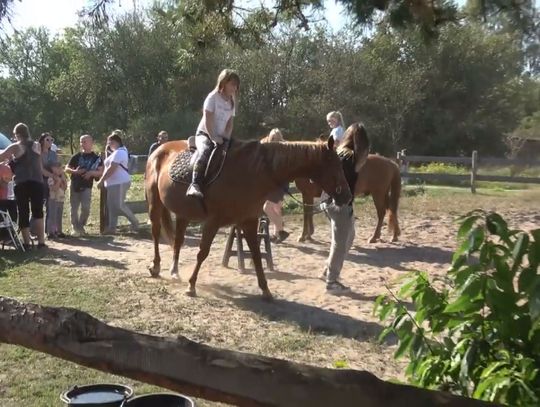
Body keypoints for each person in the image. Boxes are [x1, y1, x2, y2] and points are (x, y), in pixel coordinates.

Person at [320, 123, 369, 294]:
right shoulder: (351, 157)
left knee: (348, 236)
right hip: (340, 204)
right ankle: (331, 281)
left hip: (326, 201)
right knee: (340, 244)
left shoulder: (338, 153)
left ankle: (328, 270)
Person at [187, 69, 240, 198]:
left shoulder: (232, 101)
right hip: (205, 133)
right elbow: (207, 119)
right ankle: (194, 184)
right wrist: (213, 137)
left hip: (221, 136)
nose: (235, 87)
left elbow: (230, 122)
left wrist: (227, 137)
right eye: (232, 84)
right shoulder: (213, 97)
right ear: (223, 82)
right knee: (205, 150)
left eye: (236, 85)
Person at [0, 123, 46, 249]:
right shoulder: (36, 145)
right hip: (37, 182)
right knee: (38, 212)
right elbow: (37, 164)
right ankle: (41, 242)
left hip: (22, 183)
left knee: (23, 212)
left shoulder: (16, 146)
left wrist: (9, 161)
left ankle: (26, 243)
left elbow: (1, 156)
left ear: (17, 134)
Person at [96, 131, 139, 234]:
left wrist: (102, 180)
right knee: (112, 206)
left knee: (119, 205)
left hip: (119, 182)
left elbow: (112, 168)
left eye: (109, 143)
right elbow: (108, 163)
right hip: (113, 183)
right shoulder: (116, 152)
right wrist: (107, 152)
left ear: (115, 142)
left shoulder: (120, 152)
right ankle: (112, 228)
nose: (108, 145)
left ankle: (135, 222)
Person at [65, 134, 103, 236]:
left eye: (85, 141)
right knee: (74, 208)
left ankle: (81, 226)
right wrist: (75, 171)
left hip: (87, 186)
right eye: (81, 142)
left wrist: (91, 173)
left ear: (91, 143)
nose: (82, 144)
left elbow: (100, 172)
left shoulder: (96, 158)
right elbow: (66, 169)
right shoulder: (76, 156)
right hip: (75, 185)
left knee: (86, 208)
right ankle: (75, 228)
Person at [261, 128, 290, 243]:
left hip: (279, 184)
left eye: (277, 138)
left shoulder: (283, 150)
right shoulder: (269, 149)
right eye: (273, 138)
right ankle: (277, 233)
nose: (275, 140)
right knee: (276, 209)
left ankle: (281, 231)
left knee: (267, 208)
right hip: (277, 183)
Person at [38, 132, 59, 234]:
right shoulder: (38, 154)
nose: (50, 142)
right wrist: (53, 176)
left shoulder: (53, 154)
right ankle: (35, 230)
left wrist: (59, 178)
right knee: (38, 207)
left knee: (51, 206)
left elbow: (57, 168)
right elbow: (41, 170)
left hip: (52, 182)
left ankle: (49, 231)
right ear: (42, 141)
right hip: (40, 181)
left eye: (52, 140)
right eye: (47, 140)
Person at [46, 162, 67, 238]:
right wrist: (58, 181)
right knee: (52, 216)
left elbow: (65, 188)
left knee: (59, 216)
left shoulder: (62, 177)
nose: (60, 170)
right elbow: (54, 188)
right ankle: (51, 232)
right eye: (58, 168)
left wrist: (63, 180)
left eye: (61, 168)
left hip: (60, 199)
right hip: (53, 199)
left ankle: (59, 231)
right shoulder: (51, 178)